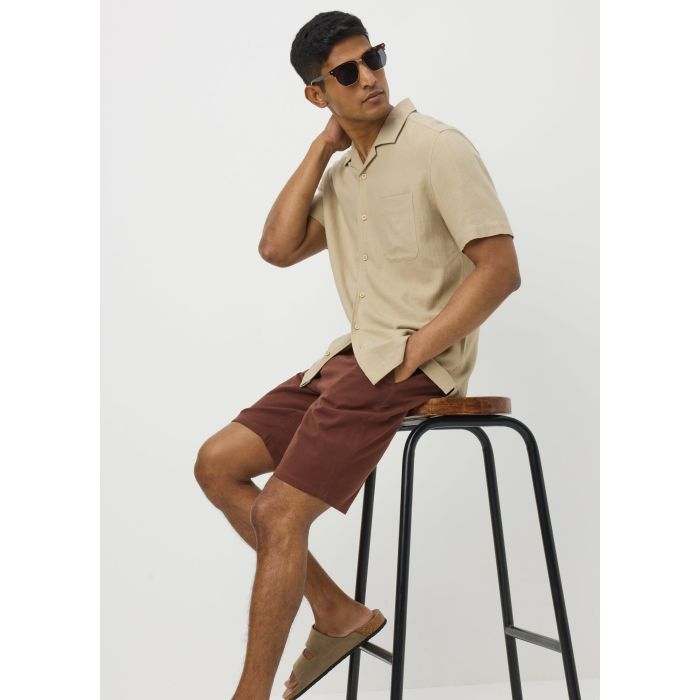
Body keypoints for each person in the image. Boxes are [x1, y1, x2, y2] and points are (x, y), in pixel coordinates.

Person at [194, 11, 521, 700]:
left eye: (374, 58)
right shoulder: (345, 174)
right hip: (353, 359)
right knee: (217, 463)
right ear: (317, 94)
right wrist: (323, 148)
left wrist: (418, 350)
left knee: (280, 512)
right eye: (347, 72)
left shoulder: (438, 147)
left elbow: (499, 269)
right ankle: (338, 612)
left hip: (409, 364)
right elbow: (277, 248)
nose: (370, 76)